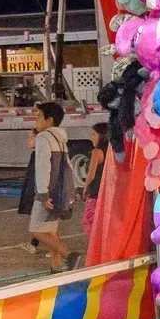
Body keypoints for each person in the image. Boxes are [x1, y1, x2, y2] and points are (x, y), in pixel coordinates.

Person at [20, 101, 79, 272]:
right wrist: (71, 191)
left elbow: (43, 167)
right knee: (51, 231)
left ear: (49, 120)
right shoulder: (60, 138)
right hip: (59, 192)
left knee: (37, 231)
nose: (35, 120)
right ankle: (56, 266)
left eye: (38, 116)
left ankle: (70, 255)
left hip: (47, 192)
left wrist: (43, 194)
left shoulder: (44, 137)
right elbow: (67, 167)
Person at [82, 122, 107, 238]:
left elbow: (91, 175)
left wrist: (85, 189)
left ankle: (95, 249)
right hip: (106, 192)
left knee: (89, 222)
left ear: (102, 136)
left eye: (94, 135)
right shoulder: (111, 151)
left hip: (95, 192)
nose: (91, 138)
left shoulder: (96, 152)